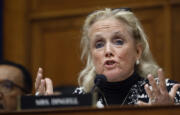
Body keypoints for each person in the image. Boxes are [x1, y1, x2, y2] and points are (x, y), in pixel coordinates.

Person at [35, 8, 180, 107]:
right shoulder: (79, 98)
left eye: (118, 41)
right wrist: (45, 112)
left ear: (137, 52)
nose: (108, 51)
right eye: (99, 45)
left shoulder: (166, 92)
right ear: (92, 56)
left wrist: (168, 114)